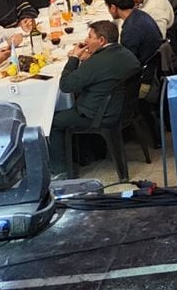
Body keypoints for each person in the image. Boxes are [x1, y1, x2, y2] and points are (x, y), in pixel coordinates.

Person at [49, 20, 142, 177]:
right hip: (123, 109)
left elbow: (66, 85)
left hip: (100, 115)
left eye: (90, 36)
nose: (86, 40)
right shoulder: (125, 53)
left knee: (52, 121)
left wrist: (74, 58)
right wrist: (89, 59)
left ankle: (61, 171)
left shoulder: (97, 62)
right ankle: (86, 154)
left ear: (101, 40)